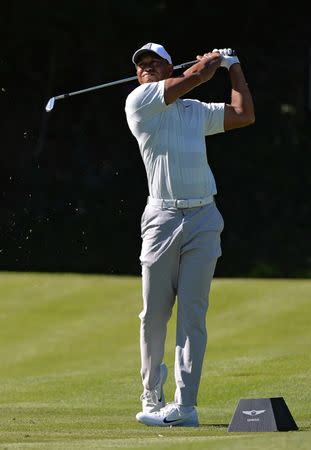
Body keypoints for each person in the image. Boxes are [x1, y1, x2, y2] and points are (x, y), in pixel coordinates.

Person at [124, 42, 255, 427]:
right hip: (161, 217)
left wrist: (234, 67)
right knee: (154, 314)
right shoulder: (139, 101)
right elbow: (196, 77)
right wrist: (212, 60)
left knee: (193, 316)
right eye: (141, 65)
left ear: (168, 67)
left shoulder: (193, 111)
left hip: (203, 216)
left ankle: (186, 407)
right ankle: (151, 395)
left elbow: (243, 114)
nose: (146, 68)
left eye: (154, 63)